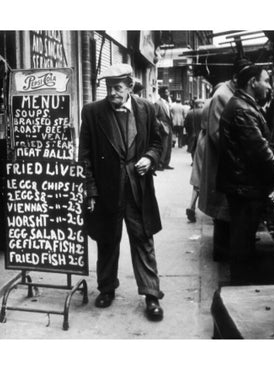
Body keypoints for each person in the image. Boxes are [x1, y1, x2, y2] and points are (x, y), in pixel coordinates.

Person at [79, 63, 164, 321]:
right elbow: (85, 156)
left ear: (129, 86)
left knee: (143, 240)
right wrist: (91, 191)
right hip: (107, 190)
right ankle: (106, 288)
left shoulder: (146, 109)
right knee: (107, 240)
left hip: (137, 190)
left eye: (117, 87)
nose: (112, 93)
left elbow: (158, 142)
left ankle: (151, 294)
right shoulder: (93, 112)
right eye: (108, 88)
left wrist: (150, 157)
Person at [217, 64, 274, 284]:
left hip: (243, 185)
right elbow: (260, 151)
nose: (270, 87)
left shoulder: (243, 105)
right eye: (266, 81)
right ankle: (240, 286)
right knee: (242, 241)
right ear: (252, 82)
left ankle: (242, 280)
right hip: (245, 187)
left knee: (242, 239)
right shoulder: (243, 109)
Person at [198, 58, 252, 261]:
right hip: (222, 164)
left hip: (228, 163)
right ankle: (221, 254)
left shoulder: (234, 93)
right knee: (222, 212)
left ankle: (225, 252)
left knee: (226, 212)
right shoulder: (223, 95)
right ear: (237, 77)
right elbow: (217, 134)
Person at [186, 98, 209, 223]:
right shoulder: (209, 108)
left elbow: (187, 124)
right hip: (207, 141)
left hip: (198, 137)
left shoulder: (191, 112)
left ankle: (191, 205)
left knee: (198, 175)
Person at [154, 86, 174, 170]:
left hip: (169, 126)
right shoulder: (157, 103)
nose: (168, 94)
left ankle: (166, 163)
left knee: (169, 146)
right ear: (161, 94)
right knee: (163, 146)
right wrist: (161, 125)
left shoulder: (167, 102)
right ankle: (160, 164)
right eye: (166, 92)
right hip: (163, 127)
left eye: (168, 92)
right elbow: (154, 117)